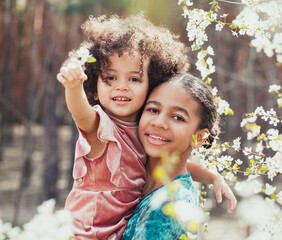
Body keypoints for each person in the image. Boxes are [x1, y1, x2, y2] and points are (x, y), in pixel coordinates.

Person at [57, 14, 236, 240]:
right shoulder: (102, 128)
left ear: (150, 84)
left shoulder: (144, 135)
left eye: (134, 79)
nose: (121, 87)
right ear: (95, 83)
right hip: (88, 230)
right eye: (110, 78)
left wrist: (214, 177)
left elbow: (181, 164)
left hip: (115, 229)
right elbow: (81, 114)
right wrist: (74, 88)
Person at [122, 73, 234, 240]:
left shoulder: (166, 208)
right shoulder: (144, 170)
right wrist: (212, 176)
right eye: (153, 109)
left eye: (177, 117)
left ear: (200, 137)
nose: (159, 122)